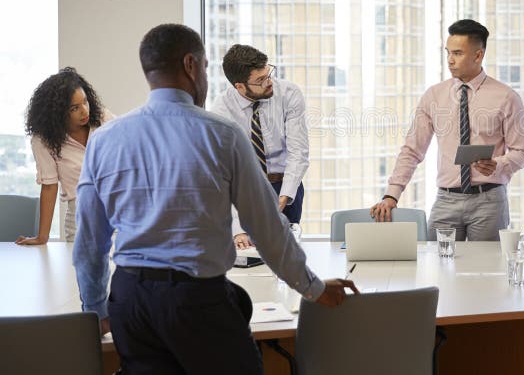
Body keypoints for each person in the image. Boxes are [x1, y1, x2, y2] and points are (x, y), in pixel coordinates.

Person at [73, 24, 356, 375]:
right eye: (206, 66)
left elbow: (89, 244)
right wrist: (313, 288)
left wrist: (97, 310)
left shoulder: (105, 139)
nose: (206, 76)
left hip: (130, 300)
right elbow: (267, 227)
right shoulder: (222, 134)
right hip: (196, 300)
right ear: (191, 65)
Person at [370, 19, 524, 241]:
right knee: (436, 267)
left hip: (489, 201)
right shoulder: (434, 96)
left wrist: (498, 164)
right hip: (446, 200)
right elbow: (412, 150)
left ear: (478, 55)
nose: (450, 60)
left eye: (457, 53)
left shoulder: (507, 97)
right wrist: (392, 195)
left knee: (485, 272)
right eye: (448, 53)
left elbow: (522, 152)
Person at [210, 44, 309, 249]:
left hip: (284, 184)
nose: (269, 82)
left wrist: (283, 197)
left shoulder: (289, 93)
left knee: (285, 251)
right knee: (248, 252)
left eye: (268, 74)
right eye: (260, 80)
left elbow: (297, 151)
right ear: (240, 87)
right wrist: (238, 229)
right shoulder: (221, 111)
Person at [16, 67, 112, 245]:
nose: (84, 111)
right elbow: (49, 186)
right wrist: (42, 237)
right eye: (74, 108)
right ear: (57, 112)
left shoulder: (103, 118)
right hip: (81, 218)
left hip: (118, 212)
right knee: (82, 272)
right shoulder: (43, 140)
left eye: (85, 102)